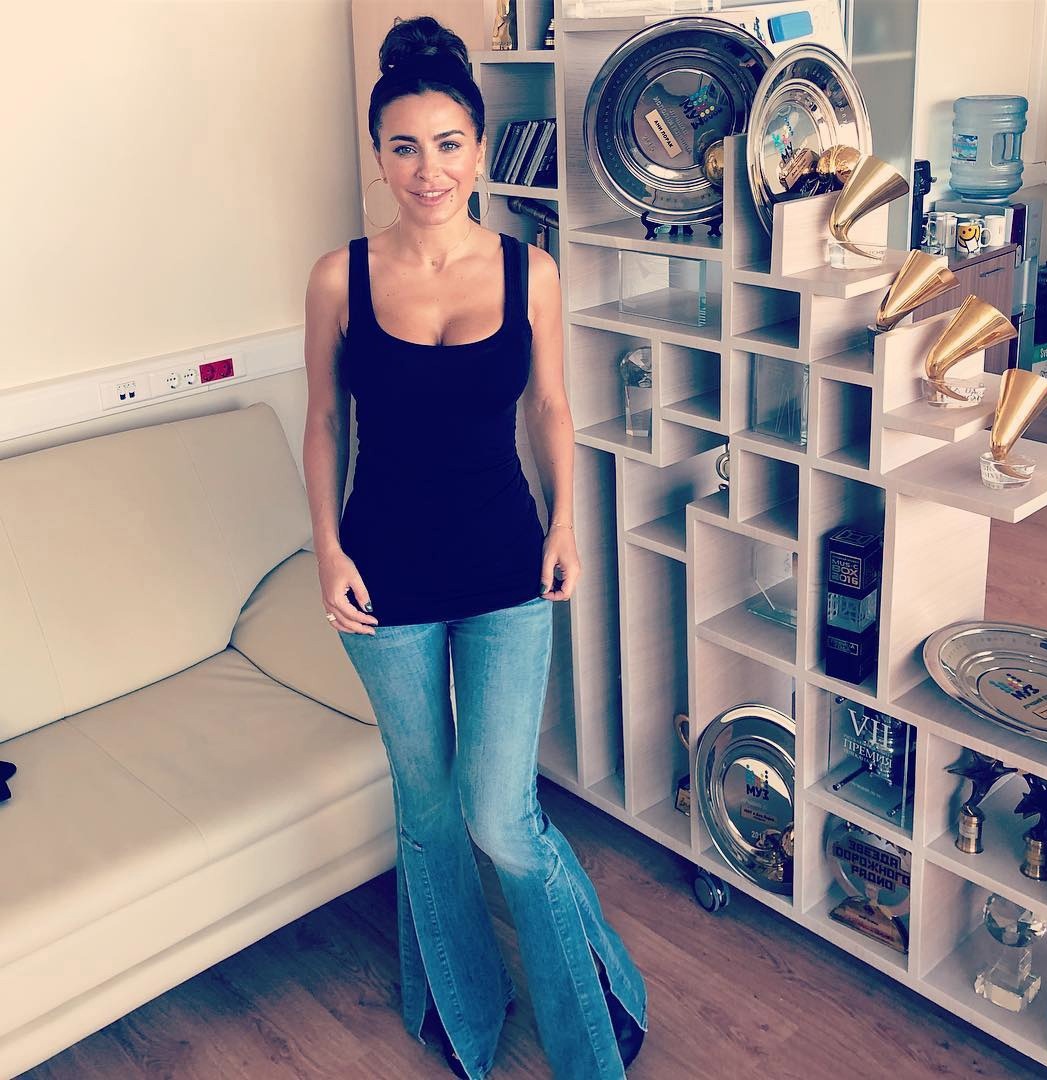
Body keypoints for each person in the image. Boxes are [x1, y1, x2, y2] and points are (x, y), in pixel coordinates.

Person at [301, 15, 647, 1080]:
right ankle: (465, 1015)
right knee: (427, 810)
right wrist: (326, 549)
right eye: (404, 146)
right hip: (383, 579)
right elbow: (324, 424)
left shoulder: (530, 270)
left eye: (448, 143)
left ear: (480, 147)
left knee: (502, 816)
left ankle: (596, 1018)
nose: (429, 169)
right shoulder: (337, 278)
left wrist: (566, 522)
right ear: (379, 155)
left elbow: (551, 407)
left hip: (505, 567)